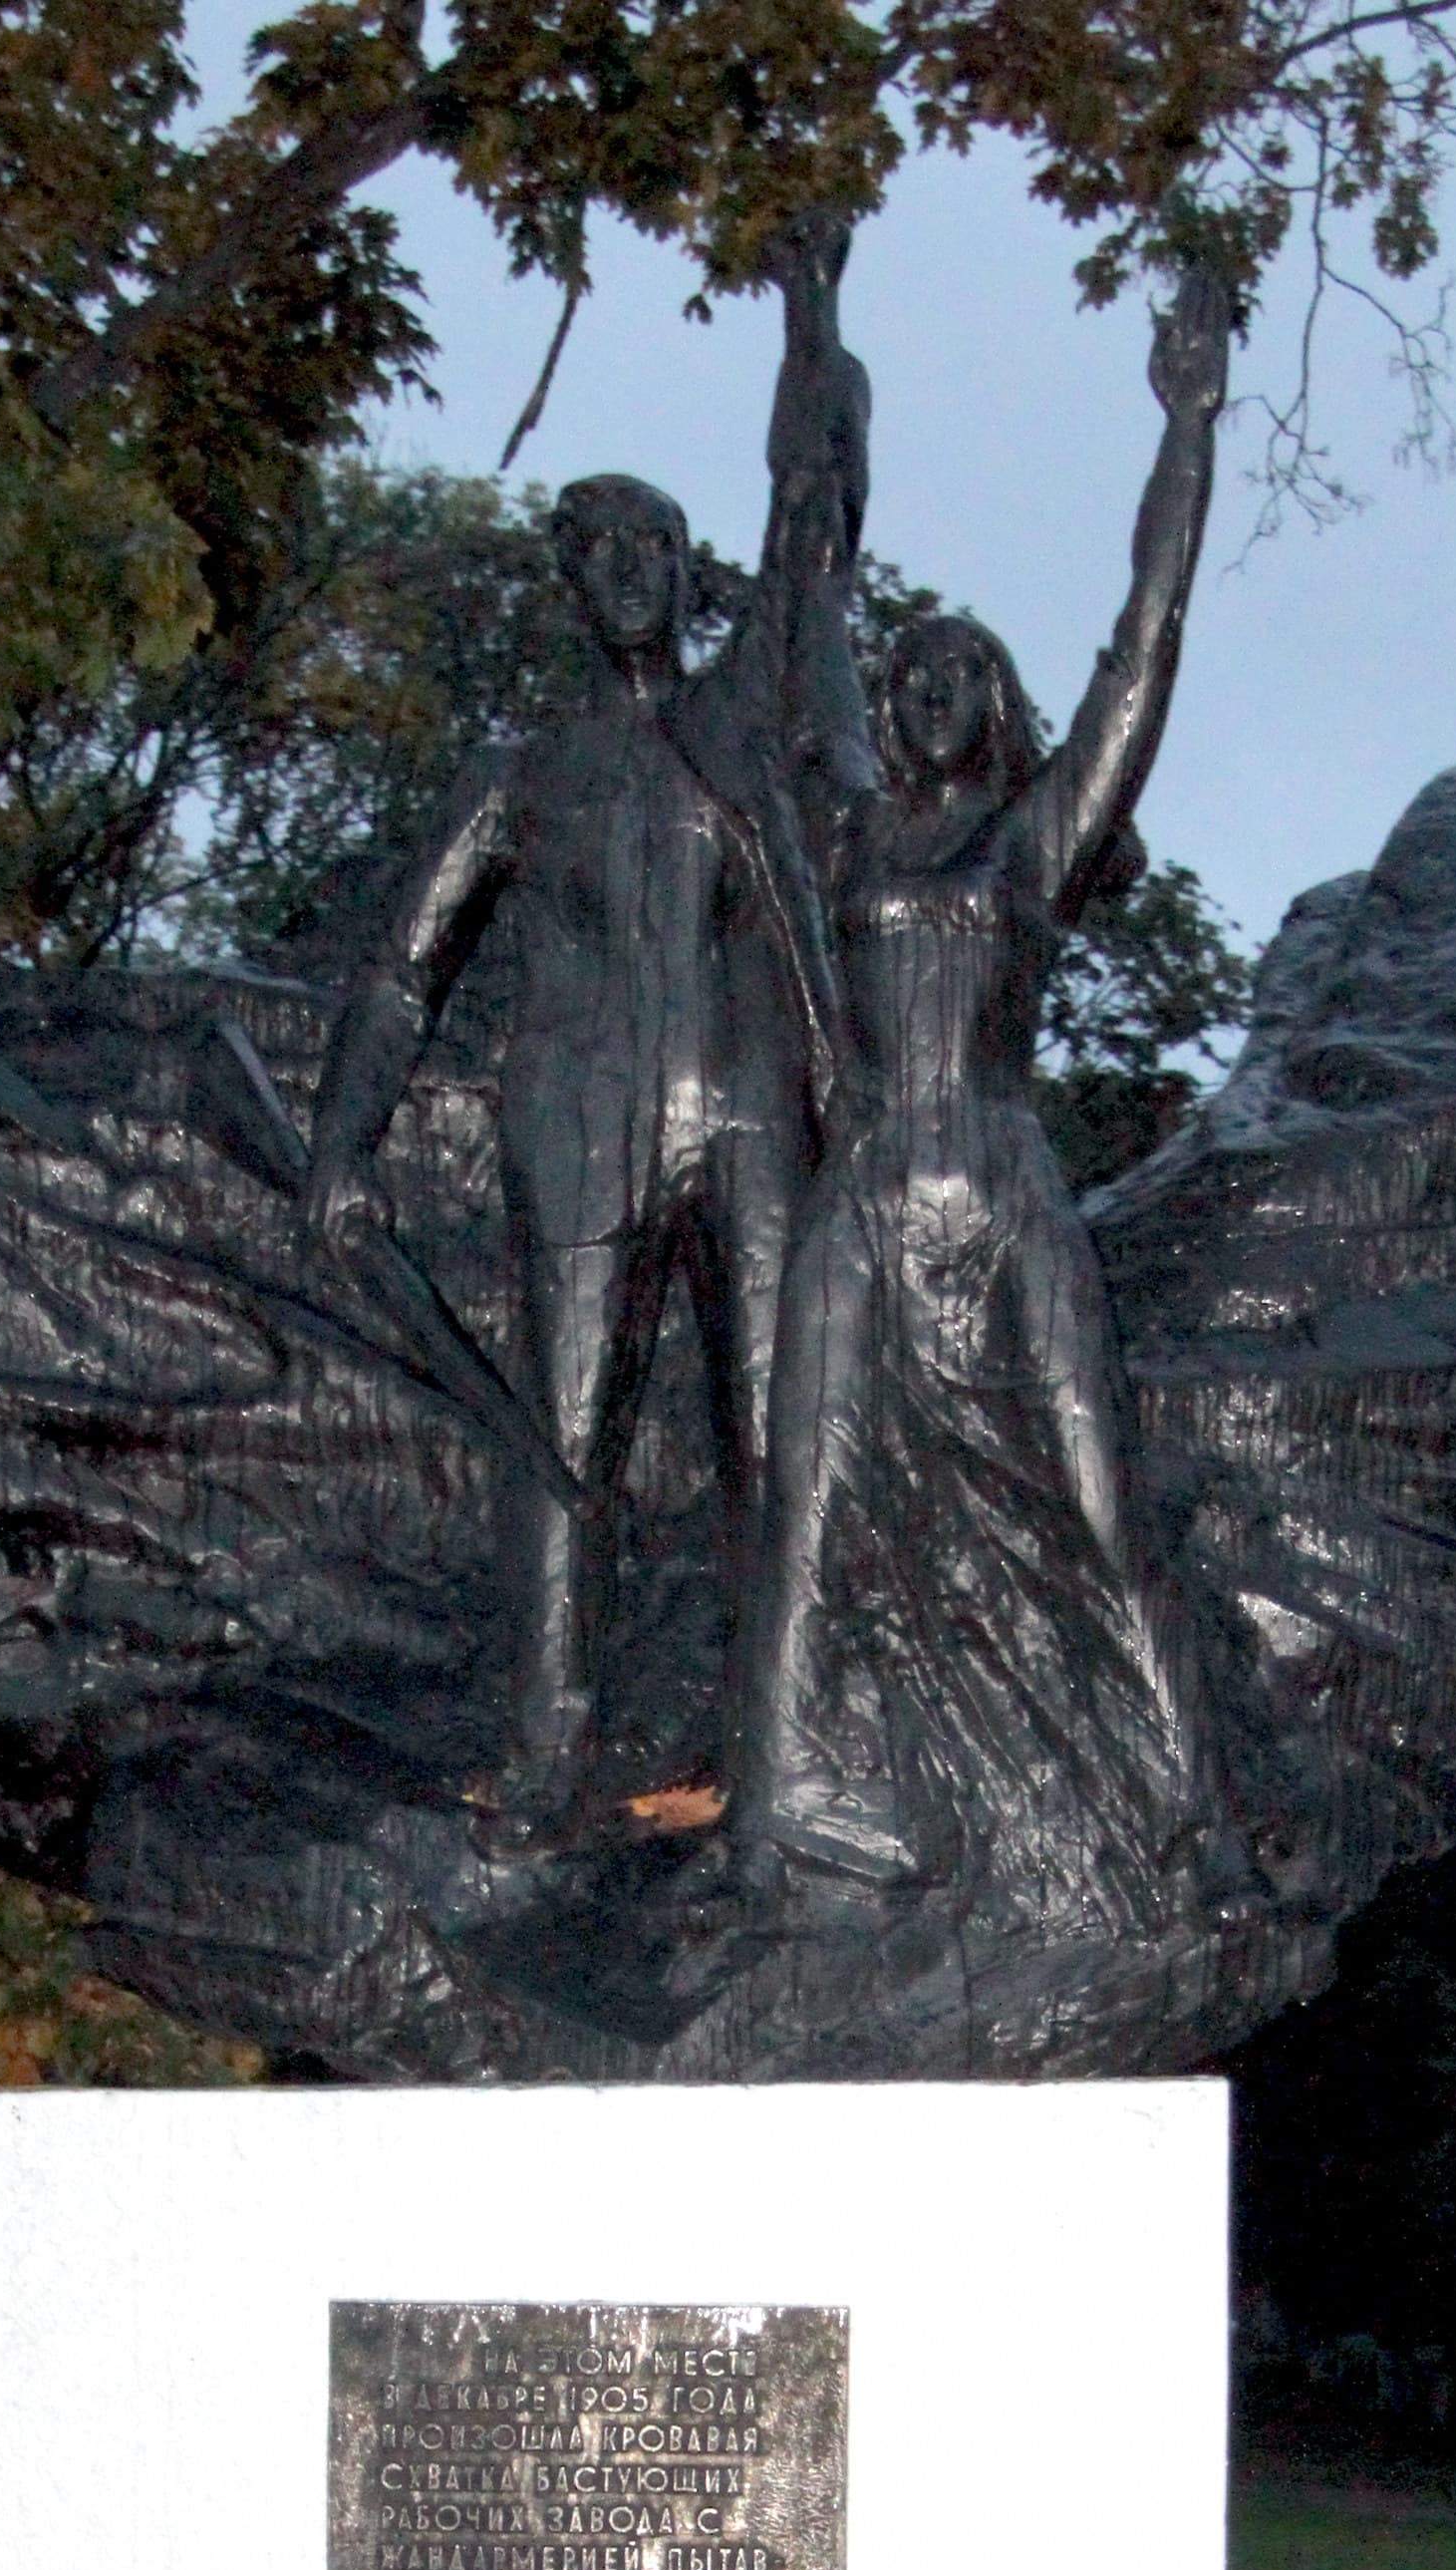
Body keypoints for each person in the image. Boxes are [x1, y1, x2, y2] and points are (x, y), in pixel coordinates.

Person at [300, 221, 870, 1858]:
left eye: (649, 544)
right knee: (559, 1450)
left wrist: (811, 307)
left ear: (690, 579)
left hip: (753, 1117)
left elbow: (810, 508)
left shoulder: (745, 712)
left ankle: (777, 1748)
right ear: (566, 585)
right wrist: (342, 1147)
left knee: (777, 1438)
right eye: (593, 547)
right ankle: (548, 1754)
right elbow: (403, 968)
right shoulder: (521, 768)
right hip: (576, 1129)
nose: (623, 566)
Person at [727, 269, 1243, 1928]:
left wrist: (1188, 426)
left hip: (1007, 1185)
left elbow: (1144, 646)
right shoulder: (852, 834)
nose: (927, 686)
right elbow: (805, 611)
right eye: (915, 671)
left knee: (1102, 1500)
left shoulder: (1036, 842)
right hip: (863, 1192)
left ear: (1002, 711)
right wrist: (812, 336)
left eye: (962, 671)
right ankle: (777, 1802)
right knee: (800, 1496)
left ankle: (1192, 1809)